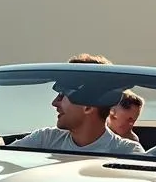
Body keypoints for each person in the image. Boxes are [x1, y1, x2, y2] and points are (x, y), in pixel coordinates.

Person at [9, 56, 144, 155]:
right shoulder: (45, 139)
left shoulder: (128, 153)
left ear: (88, 107)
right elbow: (2, 159)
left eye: (62, 95)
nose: (54, 102)